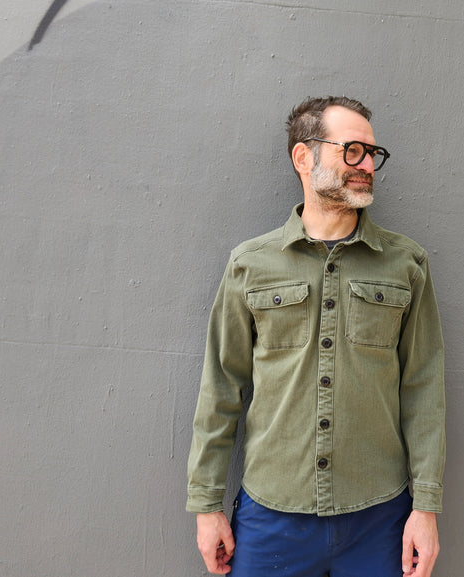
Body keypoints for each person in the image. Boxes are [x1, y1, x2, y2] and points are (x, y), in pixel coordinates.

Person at [187, 96, 446, 577]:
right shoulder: (250, 264)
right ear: (303, 157)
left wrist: (425, 507)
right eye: (352, 150)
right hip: (272, 515)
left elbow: (423, 388)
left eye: (372, 153)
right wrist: (207, 505)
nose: (366, 165)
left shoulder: (407, 264)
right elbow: (221, 386)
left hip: (379, 517)